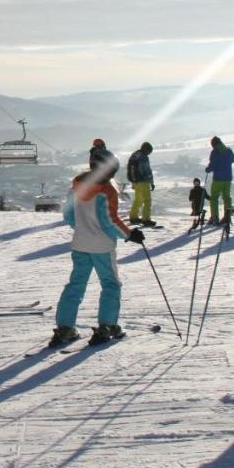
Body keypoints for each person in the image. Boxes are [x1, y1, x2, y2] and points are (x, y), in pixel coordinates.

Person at [50, 149, 145, 347]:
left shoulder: (76, 186)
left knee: (76, 285)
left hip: (80, 244)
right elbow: (110, 221)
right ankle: (107, 326)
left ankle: (65, 328)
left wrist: (83, 229)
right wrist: (130, 234)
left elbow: (68, 216)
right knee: (110, 284)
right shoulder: (107, 190)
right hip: (102, 246)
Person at [204, 136, 234, 225]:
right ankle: (227, 217)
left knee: (214, 198)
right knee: (226, 197)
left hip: (218, 179)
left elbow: (212, 165)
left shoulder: (215, 152)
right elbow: (233, 160)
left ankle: (215, 217)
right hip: (228, 178)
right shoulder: (228, 150)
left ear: (213, 144)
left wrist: (208, 169)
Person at [126, 141, 156, 226]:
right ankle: (146, 219)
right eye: (149, 151)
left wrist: (133, 181)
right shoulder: (144, 157)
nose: (149, 153)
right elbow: (147, 170)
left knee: (138, 200)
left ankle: (133, 217)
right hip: (143, 181)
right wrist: (151, 182)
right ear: (146, 149)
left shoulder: (135, 155)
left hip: (135, 182)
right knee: (147, 200)